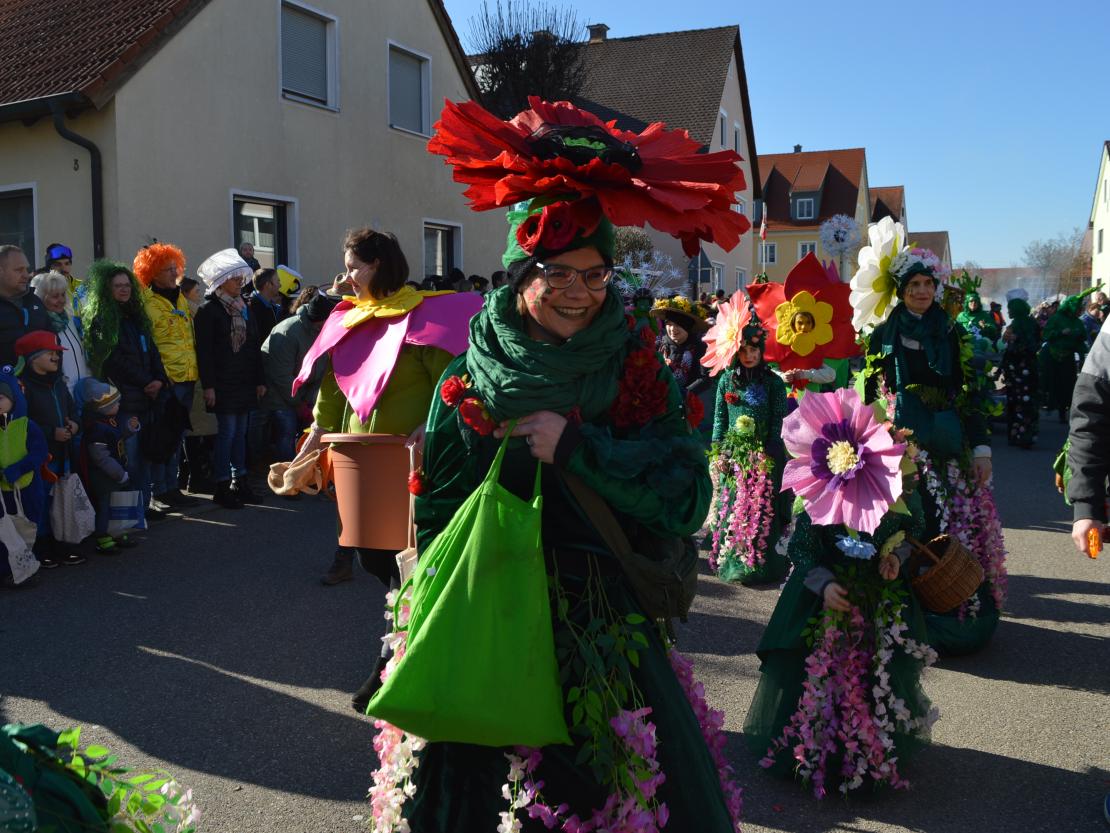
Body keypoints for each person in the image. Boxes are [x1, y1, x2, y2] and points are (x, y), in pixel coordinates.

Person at [370, 94, 753, 832]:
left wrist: (580, 448)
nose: (579, 293)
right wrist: (418, 596)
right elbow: (438, 509)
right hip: (484, 620)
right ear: (521, 274)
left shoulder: (634, 365)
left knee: (612, 796)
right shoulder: (467, 378)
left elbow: (685, 492)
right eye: (559, 273)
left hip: (603, 624)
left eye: (595, 275)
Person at [743, 391, 935, 797]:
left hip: (878, 596)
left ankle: (871, 750)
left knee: (873, 674)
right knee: (817, 674)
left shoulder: (897, 491)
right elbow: (802, 549)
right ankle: (814, 752)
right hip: (825, 593)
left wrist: (894, 555)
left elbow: (909, 531)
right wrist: (825, 583)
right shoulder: (817, 488)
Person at [291, 228, 480, 591]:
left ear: (378, 265)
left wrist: (430, 425)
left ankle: (404, 625)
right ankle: (398, 609)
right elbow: (333, 386)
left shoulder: (424, 317)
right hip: (358, 458)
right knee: (369, 552)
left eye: (353, 268)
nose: (347, 278)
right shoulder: (349, 318)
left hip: (412, 458)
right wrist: (315, 436)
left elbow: (450, 383)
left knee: (409, 551)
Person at [853, 218, 1004, 655]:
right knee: (913, 528)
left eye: (927, 284)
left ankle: (955, 602)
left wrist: (981, 448)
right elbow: (869, 391)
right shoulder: (884, 334)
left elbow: (971, 394)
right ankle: (912, 610)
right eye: (913, 284)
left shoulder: (952, 332)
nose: (921, 291)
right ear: (900, 290)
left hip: (949, 445)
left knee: (955, 525)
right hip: (901, 450)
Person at [705, 293, 790, 584]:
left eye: (755, 349)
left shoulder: (774, 383)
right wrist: (718, 450)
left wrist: (767, 450)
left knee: (760, 510)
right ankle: (734, 562)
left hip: (764, 453)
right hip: (734, 453)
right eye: (744, 350)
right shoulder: (726, 381)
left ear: (762, 350)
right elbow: (719, 417)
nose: (749, 355)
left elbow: (779, 419)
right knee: (734, 506)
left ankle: (760, 566)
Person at [83, 260, 170, 520]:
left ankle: (142, 508)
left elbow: (153, 352)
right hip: (125, 401)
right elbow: (114, 361)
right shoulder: (103, 320)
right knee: (127, 460)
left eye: (126, 285)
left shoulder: (136, 317)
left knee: (142, 458)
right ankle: (127, 517)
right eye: (117, 286)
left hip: (146, 397)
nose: (124, 289)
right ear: (106, 290)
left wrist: (159, 380)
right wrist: (147, 382)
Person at [194, 249, 267, 509]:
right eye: (235, 278)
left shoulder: (243, 308)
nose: (240, 283)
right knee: (228, 434)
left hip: (245, 381)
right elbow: (205, 353)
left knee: (241, 434)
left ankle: (240, 482)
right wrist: (209, 386)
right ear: (220, 282)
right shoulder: (208, 311)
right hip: (223, 383)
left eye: (240, 278)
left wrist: (259, 379)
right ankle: (222, 485)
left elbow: (253, 346)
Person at [133, 243, 199, 510]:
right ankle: (157, 491)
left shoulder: (180, 298)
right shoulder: (147, 304)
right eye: (167, 269)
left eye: (175, 268)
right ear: (151, 273)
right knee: (161, 436)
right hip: (167, 380)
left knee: (177, 436)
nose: (174, 274)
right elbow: (148, 346)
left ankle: (171, 488)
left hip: (187, 377)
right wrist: (161, 377)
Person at [14, 330, 84, 567]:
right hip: (42, 457)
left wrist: (75, 424)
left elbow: (73, 410)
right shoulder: (23, 387)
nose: (56, 357)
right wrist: (49, 432)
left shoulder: (59, 383)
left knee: (61, 501)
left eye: (57, 353)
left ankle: (62, 543)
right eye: (50, 353)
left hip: (63, 452)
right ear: (33, 357)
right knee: (41, 501)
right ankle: (41, 545)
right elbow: (22, 423)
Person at [259, 287, 337, 464]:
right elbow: (281, 377)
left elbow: (322, 370)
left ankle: (307, 472)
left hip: (303, 395)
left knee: (308, 436)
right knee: (286, 433)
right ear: (319, 321)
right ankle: (286, 473)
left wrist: (312, 401)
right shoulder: (288, 333)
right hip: (280, 395)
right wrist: (300, 404)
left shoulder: (321, 331)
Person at [77, 380, 141, 554]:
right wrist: (120, 475)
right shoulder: (97, 429)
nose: (119, 405)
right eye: (115, 403)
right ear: (104, 407)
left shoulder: (108, 422)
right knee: (106, 507)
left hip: (115, 473)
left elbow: (117, 439)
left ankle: (118, 532)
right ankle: (102, 536)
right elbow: (101, 458)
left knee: (118, 505)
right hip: (104, 476)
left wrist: (129, 428)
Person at [0, 366, 47, 582]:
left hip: (27, 486)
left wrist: (17, 469)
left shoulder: (29, 426)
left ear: (13, 397)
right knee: (5, 532)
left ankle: (27, 568)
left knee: (26, 527)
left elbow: (39, 453)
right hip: (3, 492)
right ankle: (7, 570)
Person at [177, 276, 217, 495]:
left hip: (195, 377)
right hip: (196, 377)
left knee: (194, 431)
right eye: (196, 290)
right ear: (186, 293)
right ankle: (196, 477)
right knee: (196, 432)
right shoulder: (194, 314)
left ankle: (188, 476)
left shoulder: (193, 312)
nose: (200, 293)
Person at [1040, 287, 1099, 422]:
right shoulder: (1056, 318)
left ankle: (1063, 410)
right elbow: (1046, 335)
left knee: (1067, 384)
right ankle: (1049, 404)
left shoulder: (1077, 321)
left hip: (1068, 357)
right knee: (1052, 383)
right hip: (1053, 357)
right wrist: (1061, 333)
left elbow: (1082, 338)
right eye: (1078, 307)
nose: (1080, 310)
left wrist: (1082, 340)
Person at [32, 271, 90, 397]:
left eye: (63, 295)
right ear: (42, 298)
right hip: (62, 397)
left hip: (82, 394)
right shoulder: (40, 327)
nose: (61, 300)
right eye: (55, 296)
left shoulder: (69, 321)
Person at [998, 288, 1040, 448]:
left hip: (1020, 370)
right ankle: (1026, 435)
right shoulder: (1023, 323)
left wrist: (1015, 340)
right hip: (1024, 370)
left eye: (1009, 309)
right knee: (1026, 403)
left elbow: (1030, 345)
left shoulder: (1023, 325)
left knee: (1018, 403)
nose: (1007, 311)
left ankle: (1020, 436)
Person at [0, 245, 50, 367]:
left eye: (26, 269)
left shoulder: (34, 301)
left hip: (42, 384)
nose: (26, 275)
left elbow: (53, 342)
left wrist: (55, 380)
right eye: (19, 270)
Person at [650, 296, 708, 391]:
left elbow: (704, 378)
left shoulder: (700, 348)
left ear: (687, 327)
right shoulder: (659, 346)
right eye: (669, 324)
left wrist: (684, 394)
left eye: (677, 324)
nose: (672, 329)